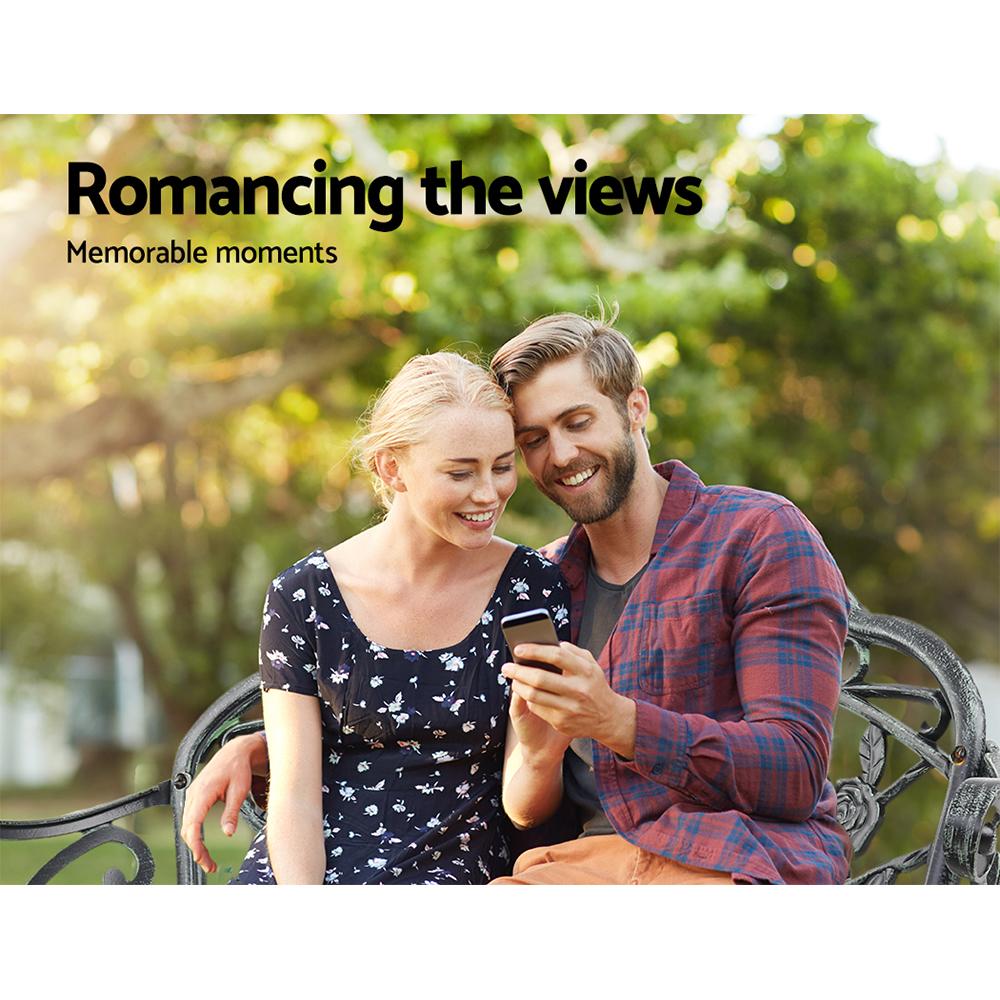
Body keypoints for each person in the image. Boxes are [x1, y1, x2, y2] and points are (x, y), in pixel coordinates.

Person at [184, 308, 852, 884]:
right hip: (579, 869)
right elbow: (468, 737)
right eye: (533, 440)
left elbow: (792, 768)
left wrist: (616, 720)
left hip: (729, 859)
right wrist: (263, 743)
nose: (560, 454)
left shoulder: (756, 535)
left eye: (578, 420)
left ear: (636, 407)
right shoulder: (553, 582)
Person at [217, 351, 570, 883]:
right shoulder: (303, 596)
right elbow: (293, 797)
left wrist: (542, 753)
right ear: (391, 467)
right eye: (460, 472)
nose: (488, 493)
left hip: (451, 876)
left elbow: (525, 808)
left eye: (502, 466)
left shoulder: (530, 588)